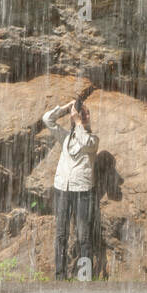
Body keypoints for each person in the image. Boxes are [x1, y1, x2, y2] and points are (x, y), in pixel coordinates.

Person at [41, 96, 105, 280]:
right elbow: (47, 119)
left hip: (82, 191)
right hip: (62, 189)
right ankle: (60, 276)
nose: (84, 115)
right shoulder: (66, 137)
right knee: (61, 234)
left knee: (83, 235)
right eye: (81, 112)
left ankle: (85, 276)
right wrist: (66, 107)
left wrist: (78, 122)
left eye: (86, 113)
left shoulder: (93, 139)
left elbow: (85, 142)